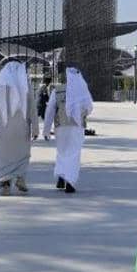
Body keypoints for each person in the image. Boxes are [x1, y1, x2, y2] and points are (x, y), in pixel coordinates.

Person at [0, 60, 36, 196]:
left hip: (4, 129)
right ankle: (20, 179)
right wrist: (36, 129)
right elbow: (32, 108)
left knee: (4, 157)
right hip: (22, 129)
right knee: (22, 155)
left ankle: (6, 184)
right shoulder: (25, 85)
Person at [46, 66, 93, 194]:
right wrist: (81, 113)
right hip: (77, 127)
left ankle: (61, 176)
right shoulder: (82, 91)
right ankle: (70, 181)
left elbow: (50, 110)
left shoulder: (57, 90)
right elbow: (89, 108)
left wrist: (46, 130)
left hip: (60, 126)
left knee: (62, 152)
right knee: (73, 154)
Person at [37, 76, 53, 140]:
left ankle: (46, 133)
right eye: (49, 82)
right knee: (45, 119)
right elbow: (44, 96)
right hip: (42, 106)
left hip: (41, 105)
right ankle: (45, 134)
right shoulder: (44, 87)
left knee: (45, 119)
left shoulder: (43, 87)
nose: (49, 83)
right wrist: (49, 101)